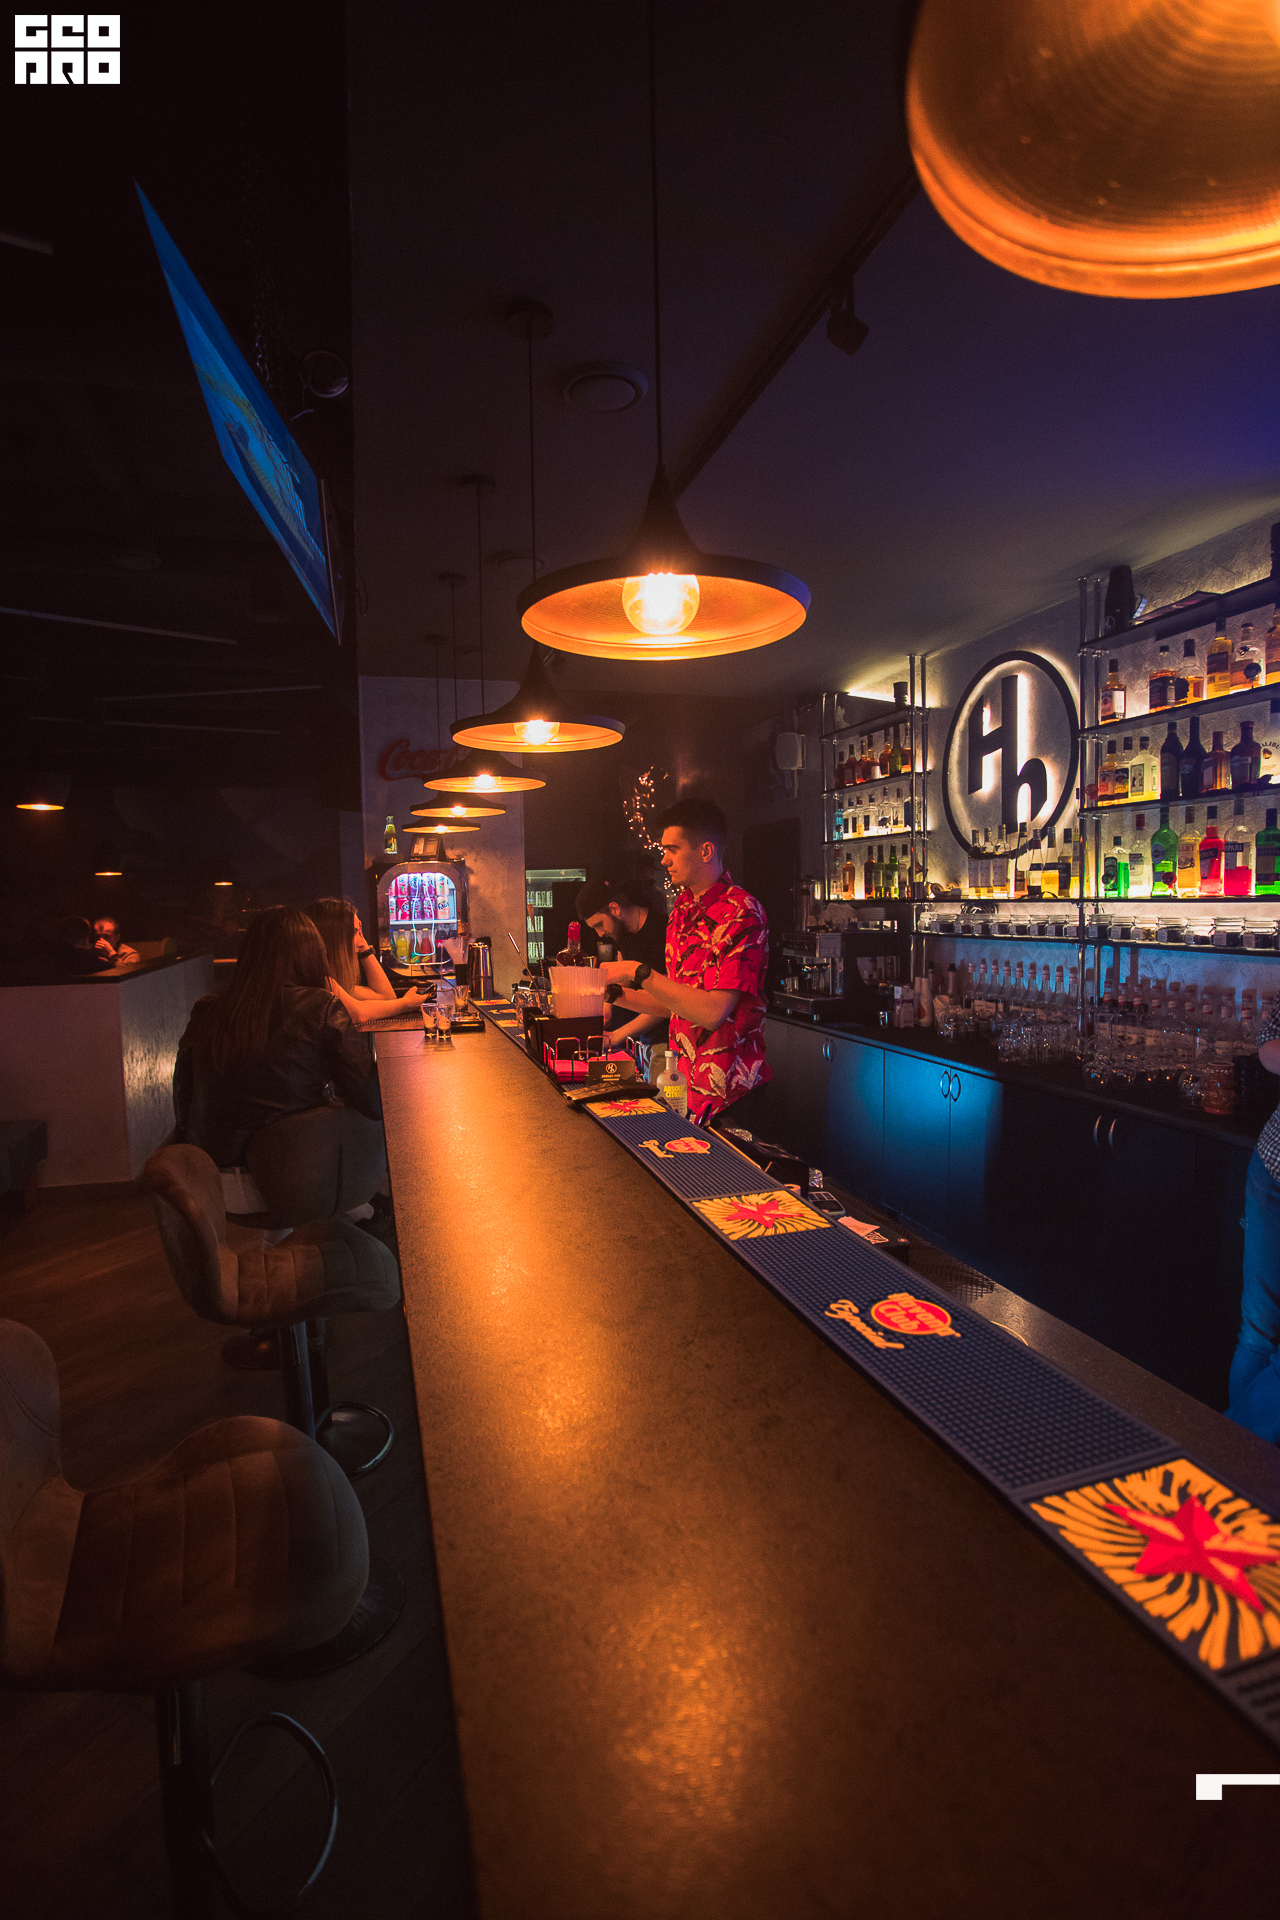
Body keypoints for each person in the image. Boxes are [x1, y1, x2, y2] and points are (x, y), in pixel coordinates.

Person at [172, 904, 383, 1208]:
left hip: (214, 1182)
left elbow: (183, 1096)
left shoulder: (207, 1010)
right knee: (364, 1124)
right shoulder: (321, 1006)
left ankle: (343, 1220)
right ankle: (367, 1216)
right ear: (311, 953)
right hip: (289, 1182)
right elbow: (373, 1101)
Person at [599, 796, 770, 1123]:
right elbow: (674, 1004)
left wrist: (637, 971)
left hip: (730, 1093)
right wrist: (613, 992)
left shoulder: (742, 912)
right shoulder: (681, 911)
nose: (664, 860)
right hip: (683, 1084)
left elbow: (712, 1013)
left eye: (672, 849)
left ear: (705, 851)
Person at [1227, 1001, 1280, 1440]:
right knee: (1259, 1332)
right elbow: (1269, 1049)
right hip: (1274, 1170)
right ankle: (1233, 1455)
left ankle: (1226, 1447)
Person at [575, 873, 669, 1065]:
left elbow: (666, 1002)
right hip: (644, 1039)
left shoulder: (661, 932)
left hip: (666, 1042)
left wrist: (616, 1036)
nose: (600, 933)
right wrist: (607, 1007)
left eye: (599, 924)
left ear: (614, 909)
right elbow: (624, 979)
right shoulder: (625, 934)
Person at [306, 896, 421, 1029]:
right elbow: (358, 1014)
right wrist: (406, 1004)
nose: (361, 941)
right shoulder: (321, 980)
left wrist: (365, 949)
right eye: (355, 932)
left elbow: (387, 997)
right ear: (335, 938)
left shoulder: (335, 979)